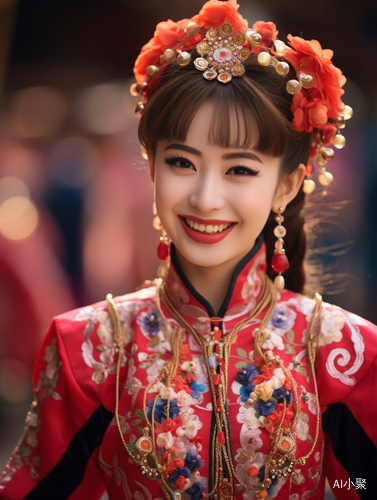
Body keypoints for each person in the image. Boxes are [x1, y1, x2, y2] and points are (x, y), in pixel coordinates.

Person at [1, 1, 376, 499]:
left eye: (240, 169)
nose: (205, 198)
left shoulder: (343, 352)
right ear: (151, 166)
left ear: (286, 185)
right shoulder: (90, 350)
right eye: (182, 162)